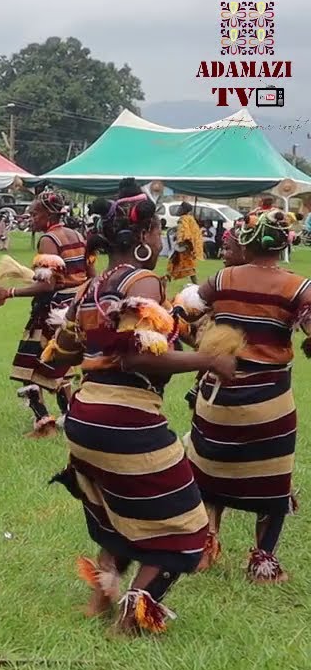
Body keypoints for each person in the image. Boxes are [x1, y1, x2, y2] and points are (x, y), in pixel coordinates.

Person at [44, 195, 232, 635]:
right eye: (156, 232)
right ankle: (132, 616)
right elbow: (142, 358)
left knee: (115, 511)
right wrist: (210, 360)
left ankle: (101, 596)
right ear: (146, 236)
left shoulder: (91, 286)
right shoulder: (144, 282)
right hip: (125, 419)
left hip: (85, 416)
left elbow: (63, 351)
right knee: (188, 526)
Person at [182, 209, 308, 583]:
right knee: (272, 480)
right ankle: (263, 562)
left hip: (217, 396)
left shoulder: (222, 279)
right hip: (269, 401)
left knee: (207, 471)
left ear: (247, 241)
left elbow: (185, 314)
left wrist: (206, 347)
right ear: (286, 242)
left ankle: (206, 546)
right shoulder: (298, 287)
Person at [0, 191, 90, 437]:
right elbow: (89, 274)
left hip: (51, 310)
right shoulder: (77, 235)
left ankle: (43, 421)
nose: (30, 217)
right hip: (72, 308)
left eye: (35, 213)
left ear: (49, 214)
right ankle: (71, 417)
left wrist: (8, 292)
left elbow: (47, 285)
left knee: (28, 365)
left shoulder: (48, 239)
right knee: (60, 362)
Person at [166, 201, 203, 284]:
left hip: (184, 246)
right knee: (176, 263)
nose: (178, 209)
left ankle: (196, 284)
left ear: (183, 210)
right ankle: (165, 279)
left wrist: (183, 242)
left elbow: (186, 232)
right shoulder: (190, 218)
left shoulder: (183, 219)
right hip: (187, 246)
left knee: (185, 265)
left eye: (180, 208)